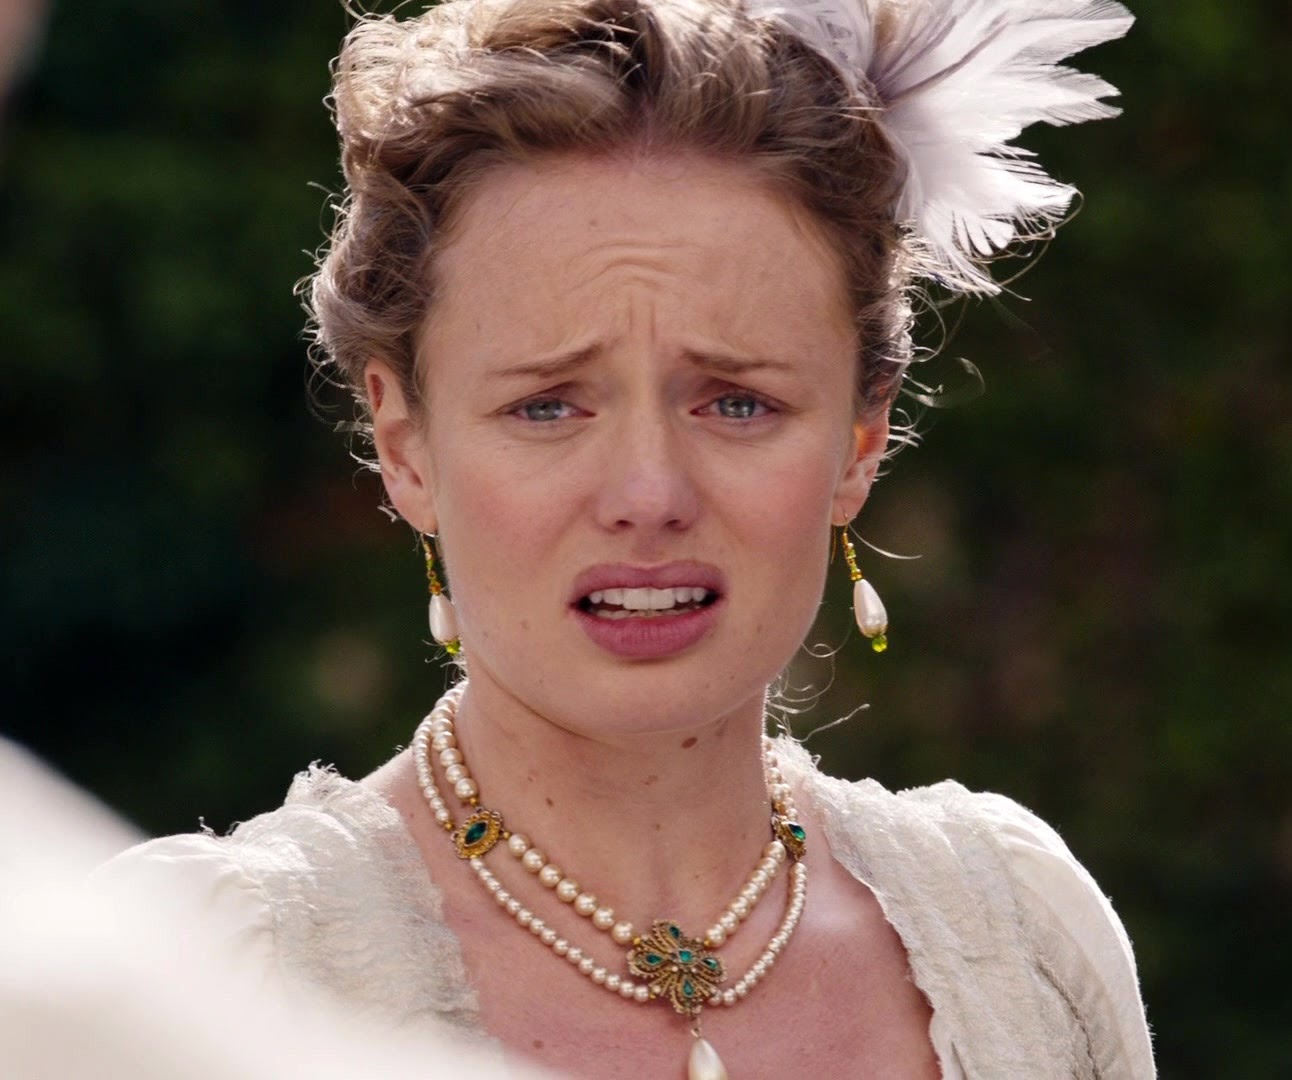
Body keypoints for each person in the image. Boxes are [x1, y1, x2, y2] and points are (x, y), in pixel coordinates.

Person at [101, 0, 1155, 1076]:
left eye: (736, 403)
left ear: (859, 441)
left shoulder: (1020, 944)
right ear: (405, 445)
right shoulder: (187, 984)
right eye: (547, 406)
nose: (648, 494)